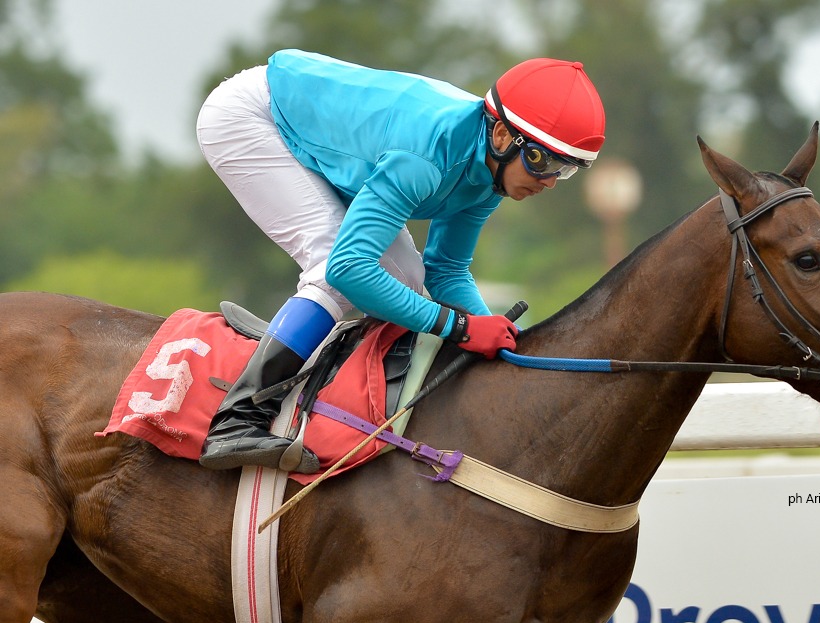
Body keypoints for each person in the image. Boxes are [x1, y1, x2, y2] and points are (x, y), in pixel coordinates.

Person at [194, 49, 606, 473]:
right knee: (332, 268)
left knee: (407, 278)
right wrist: (461, 327)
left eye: (566, 169)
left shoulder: (492, 173)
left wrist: (495, 333)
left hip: (314, 127)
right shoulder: (426, 156)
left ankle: (332, 395)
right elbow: (348, 268)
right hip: (252, 116)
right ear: (502, 135)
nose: (550, 181)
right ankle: (238, 419)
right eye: (543, 161)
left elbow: (446, 271)